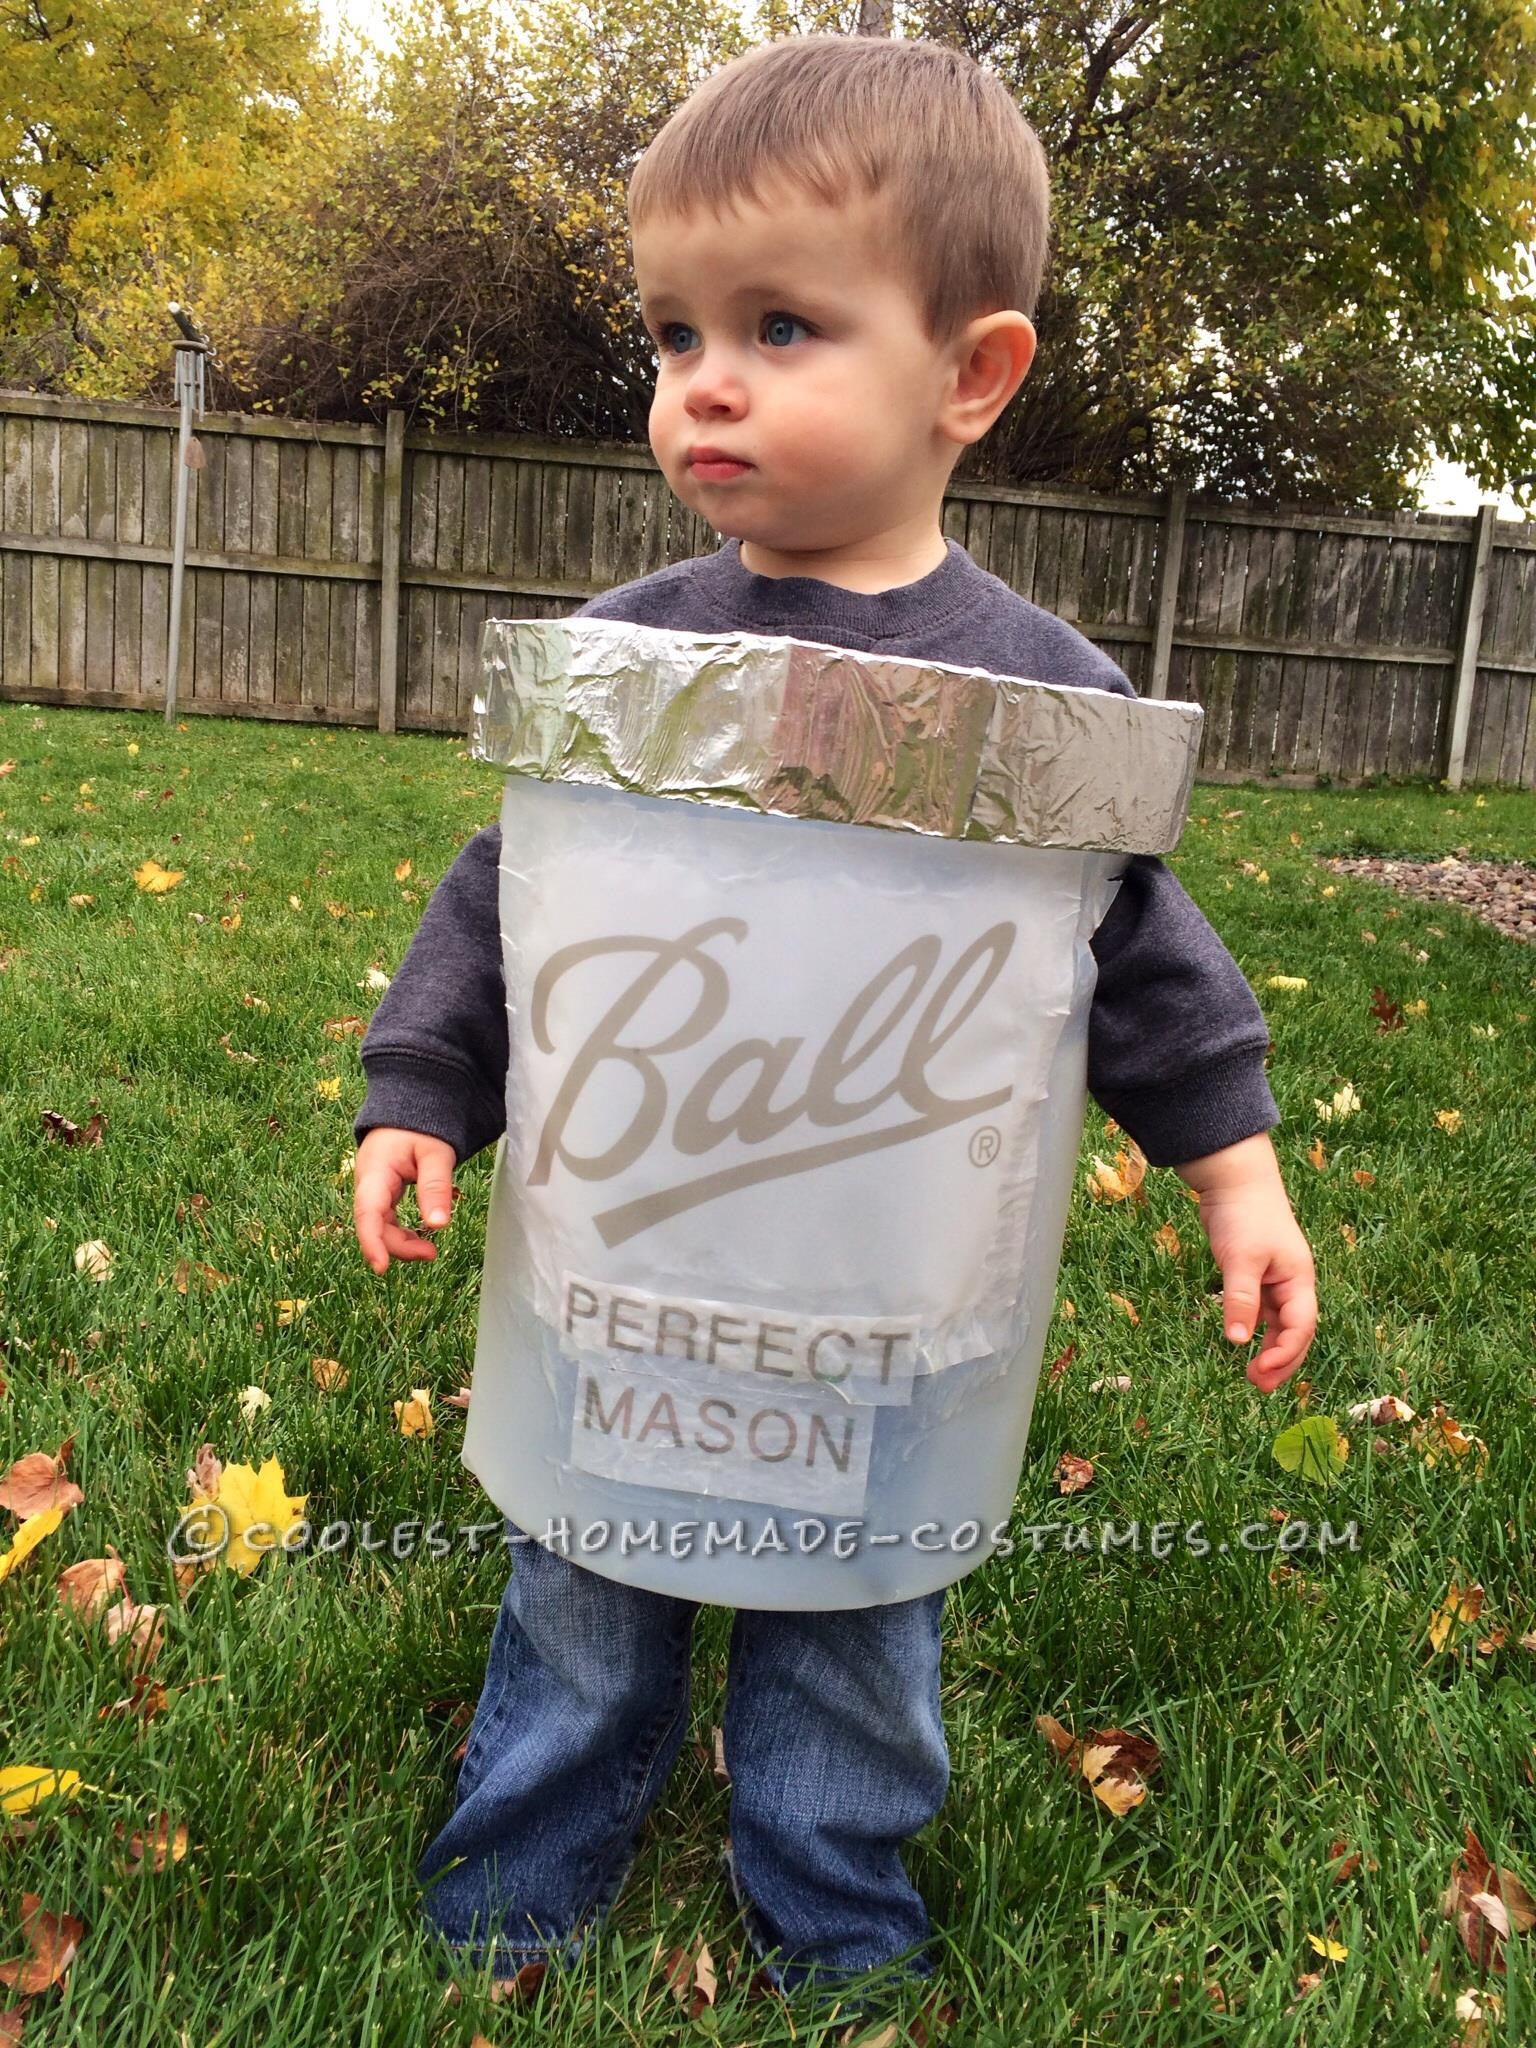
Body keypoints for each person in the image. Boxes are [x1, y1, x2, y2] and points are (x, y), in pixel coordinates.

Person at [350, 31, 1319, 2017]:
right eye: (675, 330)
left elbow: (1131, 946)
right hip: (629, 1283)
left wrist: (1236, 1167)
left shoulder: (1041, 702)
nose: (702, 378)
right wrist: (427, 1087)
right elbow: (506, 892)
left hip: (893, 1303)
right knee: (586, 1586)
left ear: (970, 372)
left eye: (782, 324)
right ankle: (518, 1899)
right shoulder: (629, 663)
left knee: (856, 1636)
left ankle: (835, 1917)